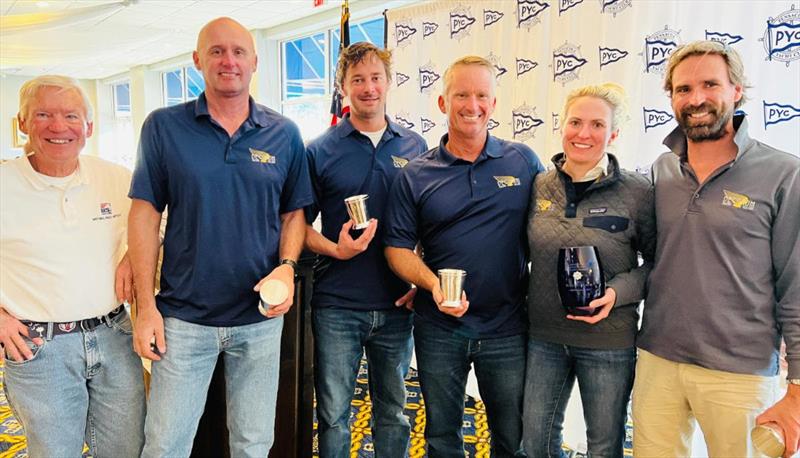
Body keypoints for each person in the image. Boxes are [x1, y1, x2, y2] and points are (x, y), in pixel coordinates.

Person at [128, 17, 312, 457]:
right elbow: (144, 216)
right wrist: (146, 308)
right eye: (216, 51)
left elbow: (294, 215)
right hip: (182, 320)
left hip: (260, 320)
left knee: (253, 443)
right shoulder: (163, 127)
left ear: (255, 63)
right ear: (197, 60)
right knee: (165, 445)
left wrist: (286, 268)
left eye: (238, 52)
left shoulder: (284, 134)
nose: (228, 60)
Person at [633, 40, 800, 457]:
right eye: (683, 89)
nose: (697, 99)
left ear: (736, 90)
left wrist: (797, 387)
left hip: (739, 372)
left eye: (710, 84)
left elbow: (796, 284)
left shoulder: (784, 173)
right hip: (658, 359)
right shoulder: (662, 168)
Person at [384, 55, 545, 457]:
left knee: (512, 437)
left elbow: (550, 227)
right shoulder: (415, 174)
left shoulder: (522, 161)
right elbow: (398, 249)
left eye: (481, 95)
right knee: (442, 435)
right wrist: (430, 283)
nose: (471, 105)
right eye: (461, 95)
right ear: (443, 103)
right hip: (439, 328)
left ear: (493, 104)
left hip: (507, 327)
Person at [0, 75, 145, 457]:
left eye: (71, 116)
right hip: (39, 347)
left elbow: (155, 226)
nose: (58, 126)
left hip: (114, 334)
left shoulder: (114, 178)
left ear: (89, 127)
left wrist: (132, 255)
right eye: (43, 114)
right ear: (22, 124)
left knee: (127, 449)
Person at [305, 42, 428, 457]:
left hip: (398, 304)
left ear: (389, 83)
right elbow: (296, 227)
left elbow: (431, 222)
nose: (368, 88)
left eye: (376, 78)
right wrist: (335, 250)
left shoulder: (416, 147)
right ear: (343, 88)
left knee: (393, 412)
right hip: (337, 305)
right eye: (357, 79)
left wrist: (421, 276)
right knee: (334, 414)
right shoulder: (318, 150)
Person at [522, 83, 655, 458]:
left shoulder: (637, 191)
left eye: (597, 125)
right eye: (575, 122)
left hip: (608, 341)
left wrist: (615, 294)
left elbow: (657, 264)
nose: (584, 133)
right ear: (561, 125)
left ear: (613, 133)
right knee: (536, 443)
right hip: (545, 337)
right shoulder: (538, 186)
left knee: (603, 446)